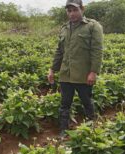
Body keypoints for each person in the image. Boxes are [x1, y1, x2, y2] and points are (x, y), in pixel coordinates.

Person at [48, 0, 104, 137]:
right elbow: (59, 52)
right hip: (66, 74)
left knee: (86, 101)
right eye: (69, 11)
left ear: (82, 9)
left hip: (83, 75)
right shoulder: (64, 28)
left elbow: (97, 51)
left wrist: (93, 72)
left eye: (74, 10)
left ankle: (91, 127)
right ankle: (63, 131)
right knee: (64, 104)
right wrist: (52, 69)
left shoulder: (92, 26)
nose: (71, 13)